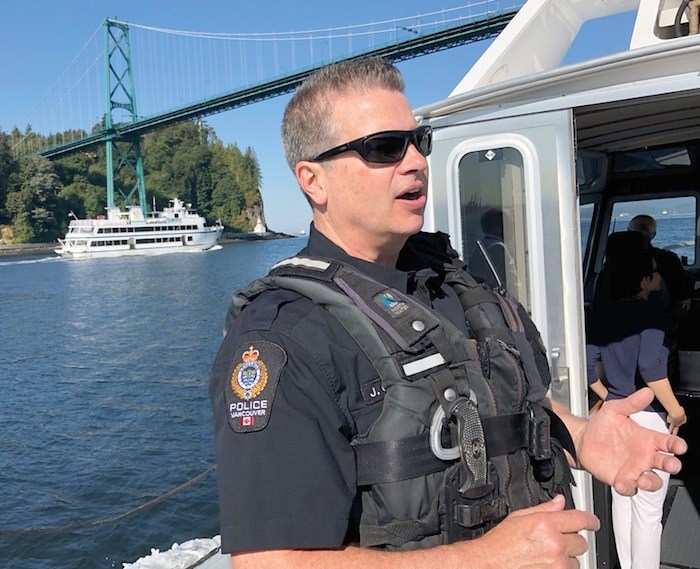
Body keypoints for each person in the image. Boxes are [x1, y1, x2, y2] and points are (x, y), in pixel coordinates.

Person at [209, 57, 687, 568]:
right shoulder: (287, 335)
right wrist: (485, 558)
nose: (415, 160)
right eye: (385, 148)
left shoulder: (451, 285)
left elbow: (497, 411)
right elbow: (271, 563)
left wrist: (583, 433)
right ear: (313, 181)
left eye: (420, 140)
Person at [587, 241, 687, 569]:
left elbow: (589, 367)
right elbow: (651, 368)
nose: (658, 279)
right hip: (650, 419)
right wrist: (676, 410)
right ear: (644, 280)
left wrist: (609, 398)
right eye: (655, 274)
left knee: (623, 495)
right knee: (648, 511)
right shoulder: (653, 316)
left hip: (618, 416)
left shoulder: (602, 313)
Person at [627, 214, 693, 307]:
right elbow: (683, 297)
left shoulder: (613, 261)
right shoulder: (669, 259)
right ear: (653, 235)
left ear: (627, 231)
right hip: (659, 318)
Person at [468, 206, 518, 291]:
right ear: (497, 227)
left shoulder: (480, 248)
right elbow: (511, 280)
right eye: (509, 225)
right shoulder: (498, 248)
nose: (513, 232)